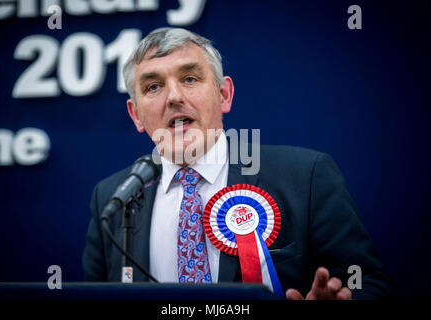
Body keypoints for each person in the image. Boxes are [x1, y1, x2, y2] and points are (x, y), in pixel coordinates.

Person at [82, 27, 394, 300]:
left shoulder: (306, 176)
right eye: (153, 87)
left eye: (189, 78)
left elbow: (369, 283)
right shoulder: (111, 197)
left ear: (224, 95)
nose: (174, 96)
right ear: (136, 114)